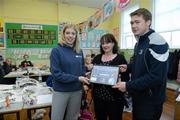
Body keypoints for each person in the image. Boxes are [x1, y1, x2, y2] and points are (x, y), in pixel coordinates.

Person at [113, 8, 169, 120]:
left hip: (151, 100)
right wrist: (128, 67)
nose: (133, 25)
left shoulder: (157, 42)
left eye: (137, 22)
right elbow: (141, 65)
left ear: (148, 22)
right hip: (138, 95)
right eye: (131, 23)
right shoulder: (139, 42)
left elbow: (156, 76)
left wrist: (127, 85)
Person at [50, 24, 89, 120]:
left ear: (76, 36)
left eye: (73, 33)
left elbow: (82, 68)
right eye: (67, 33)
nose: (70, 36)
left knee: (73, 117)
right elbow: (56, 74)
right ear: (63, 34)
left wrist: (86, 75)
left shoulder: (79, 51)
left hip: (77, 91)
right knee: (56, 117)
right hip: (61, 91)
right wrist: (77, 78)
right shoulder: (56, 50)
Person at [91, 33, 130, 120]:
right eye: (103, 43)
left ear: (113, 43)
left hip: (115, 99)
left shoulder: (120, 58)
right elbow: (92, 75)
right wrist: (90, 71)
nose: (105, 45)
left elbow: (126, 77)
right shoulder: (97, 58)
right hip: (98, 98)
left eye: (108, 42)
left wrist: (123, 84)